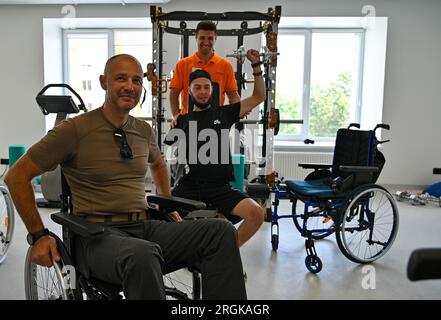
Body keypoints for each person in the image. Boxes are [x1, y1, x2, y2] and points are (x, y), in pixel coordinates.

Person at [4, 54, 246, 300]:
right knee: (142, 254)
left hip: (143, 226)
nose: (130, 86)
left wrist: (167, 201)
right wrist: (38, 235)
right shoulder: (74, 129)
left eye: (137, 80)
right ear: (103, 82)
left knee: (221, 231)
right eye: (121, 78)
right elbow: (16, 176)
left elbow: (159, 163)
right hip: (95, 237)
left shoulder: (142, 130)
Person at [167, 49, 265, 248]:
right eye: (197, 88)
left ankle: (224, 251)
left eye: (206, 87)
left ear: (212, 90)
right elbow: (167, 154)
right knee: (160, 213)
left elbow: (259, 96)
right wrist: (175, 121)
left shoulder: (225, 112)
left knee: (256, 214)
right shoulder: (182, 120)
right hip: (188, 187)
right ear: (190, 91)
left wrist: (256, 66)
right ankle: (190, 251)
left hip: (219, 188)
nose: (202, 92)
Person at [169, 20, 240, 127]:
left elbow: (233, 96)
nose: (206, 42)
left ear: (215, 38)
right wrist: (175, 115)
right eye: (202, 38)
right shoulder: (182, 65)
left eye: (210, 38)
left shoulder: (226, 66)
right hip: (189, 122)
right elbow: (174, 93)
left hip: (215, 123)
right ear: (196, 37)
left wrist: (236, 111)